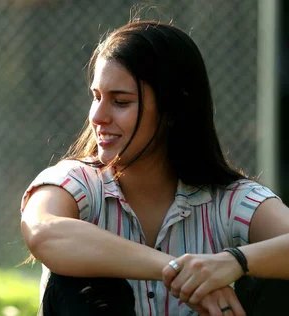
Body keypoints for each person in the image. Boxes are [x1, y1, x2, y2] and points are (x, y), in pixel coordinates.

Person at [20, 19, 289, 316]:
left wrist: (232, 263)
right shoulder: (75, 181)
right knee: (79, 281)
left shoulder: (231, 200)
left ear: (173, 109)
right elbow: (42, 230)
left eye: (120, 102)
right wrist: (179, 271)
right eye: (96, 97)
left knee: (275, 274)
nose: (97, 116)